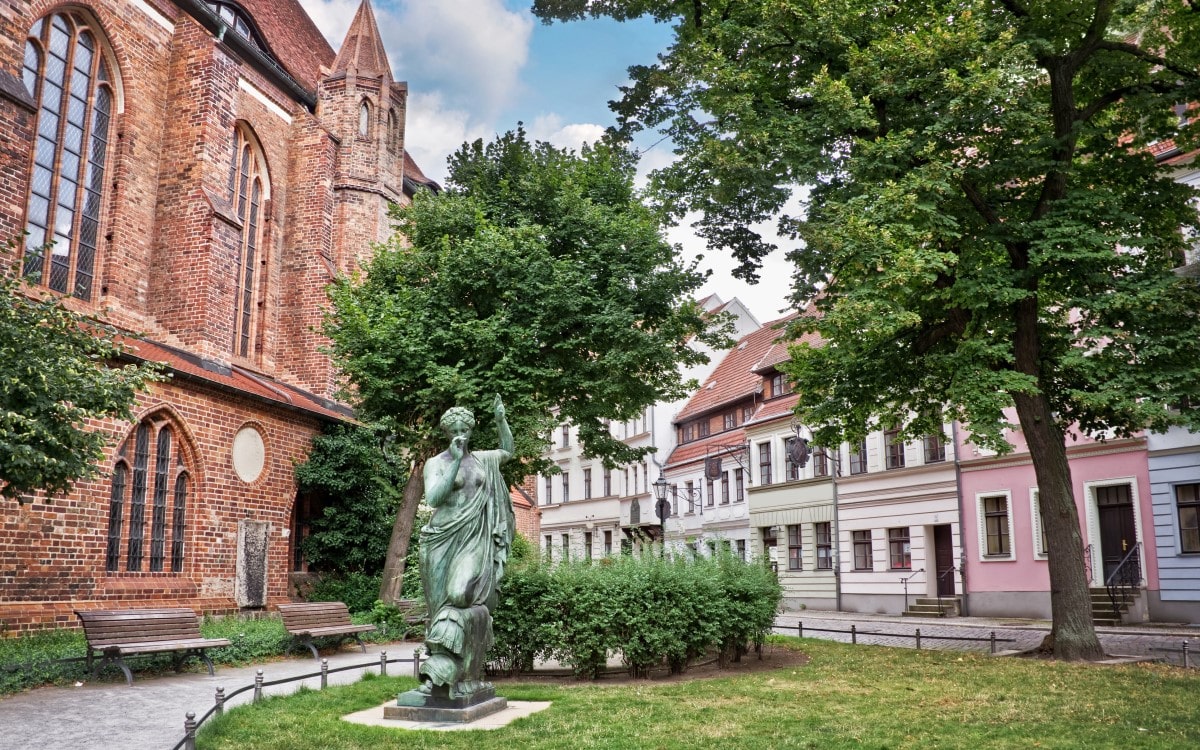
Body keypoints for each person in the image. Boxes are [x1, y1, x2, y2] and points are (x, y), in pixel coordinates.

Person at [416, 394, 514, 700]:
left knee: (460, 594)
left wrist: (501, 420)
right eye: (455, 429)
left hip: (475, 538)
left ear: (471, 430)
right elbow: (433, 498)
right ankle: (442, 675)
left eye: (465, 428)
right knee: (439, 608)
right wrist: (455, 458)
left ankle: (453, 670)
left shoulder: (484, 459)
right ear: (447, 432)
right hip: (441, 540)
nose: (461, 433)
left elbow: (508, 450)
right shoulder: (436, 463)